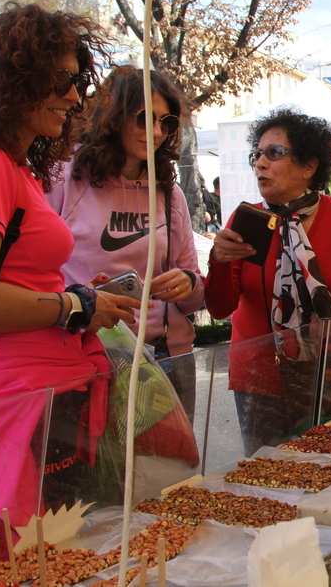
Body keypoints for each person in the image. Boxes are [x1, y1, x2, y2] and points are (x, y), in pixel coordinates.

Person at [0, 4, 140, 568]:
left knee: (54, 559)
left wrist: (78, 299)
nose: (74, 96)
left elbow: (17, 279)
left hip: (43, 400)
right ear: (14, 77)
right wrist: (74, 305)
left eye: (78, 81)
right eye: (64, 80)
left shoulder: (15, 167)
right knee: (15, 562)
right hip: (10, 404)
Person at [204, 108, 331, 455]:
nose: (260, 163)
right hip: (261, 377)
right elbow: (219, 308)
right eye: (256, 154)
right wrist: (218, 262)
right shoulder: (246, 221)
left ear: (308, 166)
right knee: (269, 481)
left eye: (274, 153)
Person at [47, 66, 205, 423]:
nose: (156, 132)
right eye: (144, 117)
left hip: (168, 357)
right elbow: (34, 280)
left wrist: (188, 284)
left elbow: (197, 293)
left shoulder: (169, 193)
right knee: (102, 478)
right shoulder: (66, 179)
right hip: (91, 359)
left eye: (166, 122)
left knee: (173, 477)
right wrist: (81, 300)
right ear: (112, 117)